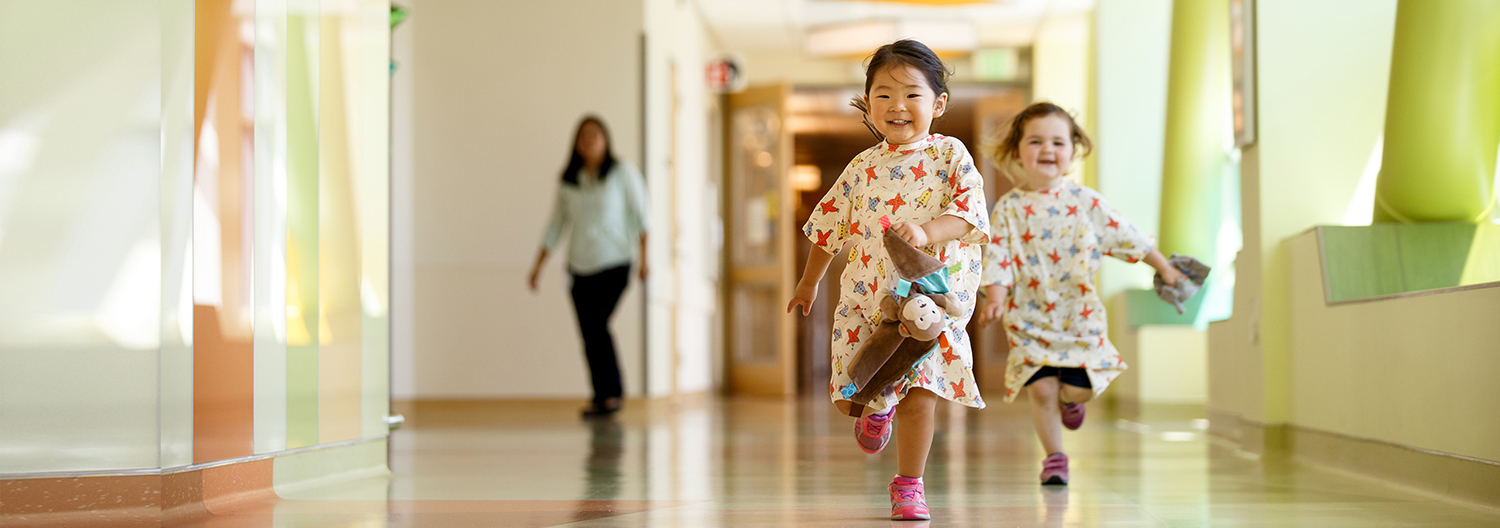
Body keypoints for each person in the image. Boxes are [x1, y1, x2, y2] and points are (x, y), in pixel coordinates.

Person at [787, 39, 989, 521]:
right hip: (867, 301)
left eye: (912, 94)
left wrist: (926, 231)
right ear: (868, 102)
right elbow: (827, 227)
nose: (897, 105)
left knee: (923, 395)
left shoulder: (950, 156)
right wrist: (809, 282)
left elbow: (967, 215)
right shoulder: (861, 168)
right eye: (883, 94)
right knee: (852, 397)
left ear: (938, 104)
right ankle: (877, 410)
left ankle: (909, 484)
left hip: (931, 302)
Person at [977, 102, 1188, 485]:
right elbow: (999, 256)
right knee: (1040, 389)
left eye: (1058, 142)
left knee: (1080, 389)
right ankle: (1055, 457)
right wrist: (994, 299)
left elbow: (1127, 235)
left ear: (1073, 151)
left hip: (1080, 315)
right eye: (1036, 141)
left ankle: (1070, 402)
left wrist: (1165, 267)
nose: (1047, 149)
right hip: (1029, 317)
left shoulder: (1085, 201)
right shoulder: (1008, 208)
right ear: (1017, 151)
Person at [529, 116, 650, 419]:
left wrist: (646, 259)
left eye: (596, 135)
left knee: (597, 326)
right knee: (589, 333)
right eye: (584, 136)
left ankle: (614, 393)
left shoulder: (623, 173)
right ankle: (600, 396)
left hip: (615, 263)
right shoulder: (570, 180)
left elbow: (642, 216)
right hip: (579, 267)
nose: (590, 140)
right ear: (576, 144)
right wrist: (538, 266)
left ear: (606, 140)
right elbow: (556, 225)